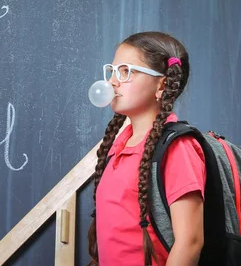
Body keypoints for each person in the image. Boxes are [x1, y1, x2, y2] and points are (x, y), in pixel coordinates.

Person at [88, 31, 206, 266]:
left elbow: (190, 242)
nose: (112, 81)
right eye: (112, 71)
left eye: (126, 71)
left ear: (161, 85)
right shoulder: (117, 146)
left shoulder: (178, 148)